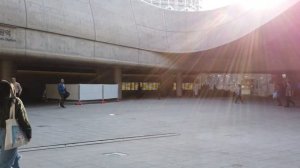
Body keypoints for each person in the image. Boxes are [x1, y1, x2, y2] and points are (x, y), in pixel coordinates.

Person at [0, 80, 31, 168]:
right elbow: (23, 119)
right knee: (4, 164)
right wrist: (28, 133)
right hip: (9, 133)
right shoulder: (15, 101)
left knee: (12, 157)